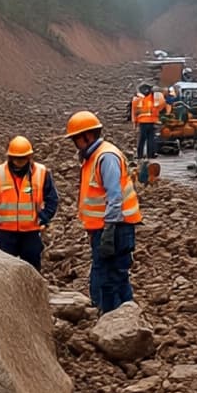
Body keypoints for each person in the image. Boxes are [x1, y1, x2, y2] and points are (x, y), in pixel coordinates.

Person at [65, 111, 142, 313]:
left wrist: (108, 229)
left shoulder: (106, 157)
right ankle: (117, 318)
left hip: (115, 228)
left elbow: (115, 196)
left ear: (87, 136)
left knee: (112, 277)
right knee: (108, 275)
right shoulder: (93, 157)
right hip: (106, 228)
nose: (75, 143)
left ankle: (117, 321)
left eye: (75, 139)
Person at [0, 135, 59, 271]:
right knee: (4, 270)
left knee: (32, 269)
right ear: (10, 157)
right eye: (16, 158)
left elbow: (52, 198)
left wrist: (45, 217)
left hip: (31, 232)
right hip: (5, 231)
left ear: (29, 156)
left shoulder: (41, 173)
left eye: (22, 158)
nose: (19, 161)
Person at [130, 82, 166, 161]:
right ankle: (150, 155)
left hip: (142, 122)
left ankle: (140, 155)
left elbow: (134, 112)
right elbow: (162, 105)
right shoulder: (154, 98)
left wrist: (134, 124)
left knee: (142, 139)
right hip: (151, 122)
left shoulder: (137, 99)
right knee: (151, 139)